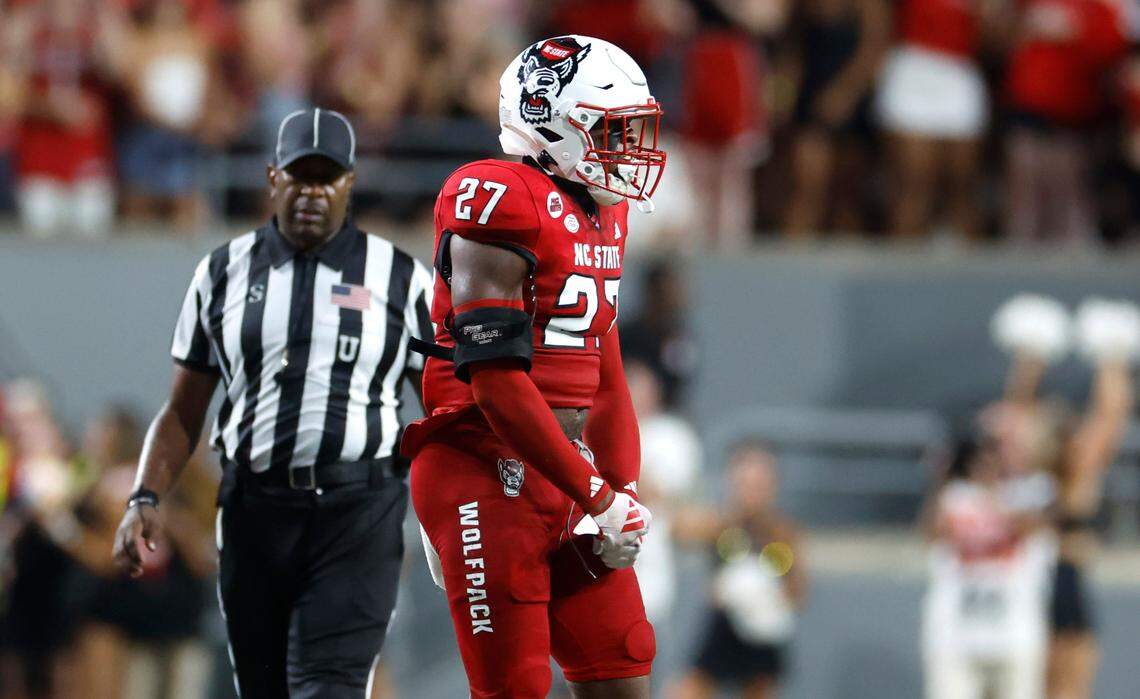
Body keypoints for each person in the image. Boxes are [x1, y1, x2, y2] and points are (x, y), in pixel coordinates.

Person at [111, 108, 434, 698]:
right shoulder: (221, 272)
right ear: (271, 178)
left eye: (327, 177)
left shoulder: (403, 279)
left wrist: (452, 509)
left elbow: (444, 406)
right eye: (299, 176)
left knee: (331, 686)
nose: (312, 192)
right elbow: (184, 408)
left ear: (351, 183)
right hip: (253, 507)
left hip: (358, 508)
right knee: (264, 689)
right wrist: (145, 494)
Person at [402, 35, 665, 698]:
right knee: (515, 686)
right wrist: (597, 495)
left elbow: (605, 365)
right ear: (551, 123)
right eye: (610, 130)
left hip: (563, 466)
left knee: (623, 660)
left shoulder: (607, 213)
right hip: (480, 461)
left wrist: (621, 485)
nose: (626, 148)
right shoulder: (498, 197)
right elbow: (495, 385)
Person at [669, 441, 807, 699]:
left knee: (759, 690)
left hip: (764, 632)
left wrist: (770, 600)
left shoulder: (783, 531)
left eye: (759, 484)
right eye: (745, 483)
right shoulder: (721, 523)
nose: (751, 491)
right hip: (723, 626)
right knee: (687, 690)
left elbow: (798, 589)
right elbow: (680, 529)